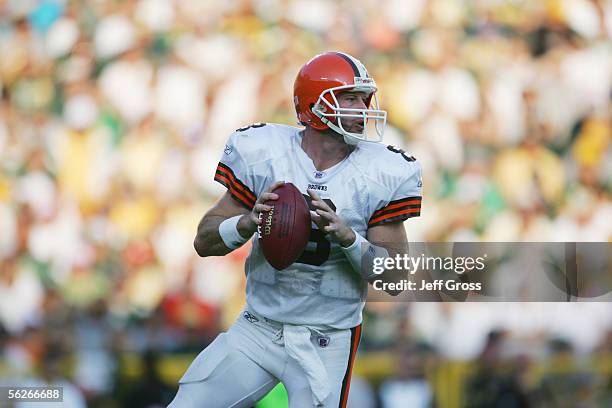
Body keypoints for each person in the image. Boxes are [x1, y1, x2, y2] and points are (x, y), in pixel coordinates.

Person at [168, 51, 422, 408]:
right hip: (258, 328)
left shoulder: (383, 171)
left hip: (326, 339)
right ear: (316, 105)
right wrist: (245, 223)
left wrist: (349, 239)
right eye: (349, 98)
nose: (362, 108)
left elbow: (394, 278)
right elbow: (204, 240)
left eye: (363, 98)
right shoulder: (264, 152)